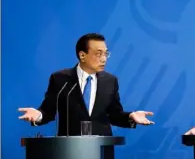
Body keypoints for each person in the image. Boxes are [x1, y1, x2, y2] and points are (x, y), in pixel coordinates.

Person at [18, 33, 154, 159]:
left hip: (101, 150)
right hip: (68, 151)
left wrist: (130, 117)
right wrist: (38, 115)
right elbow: (48, 111)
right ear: (82, 55)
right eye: (98, 54)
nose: (104, 58)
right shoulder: (60, 79)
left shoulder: (110, 81)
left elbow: (115, 115)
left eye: (106, 54)